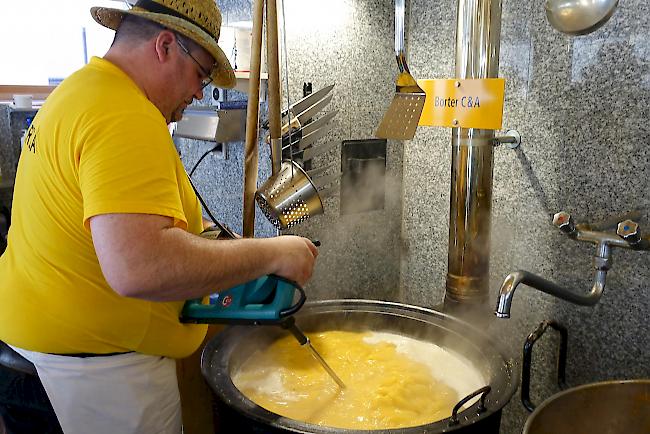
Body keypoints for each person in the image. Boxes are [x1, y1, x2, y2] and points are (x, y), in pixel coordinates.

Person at [0, 1, 318, 433]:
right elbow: (140, 266)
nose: (201, 93)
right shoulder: (125, 114)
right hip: (95, 384)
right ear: (165, 46)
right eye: (201, 74)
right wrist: (273, 254)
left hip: (35, 358)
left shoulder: (80, 92)